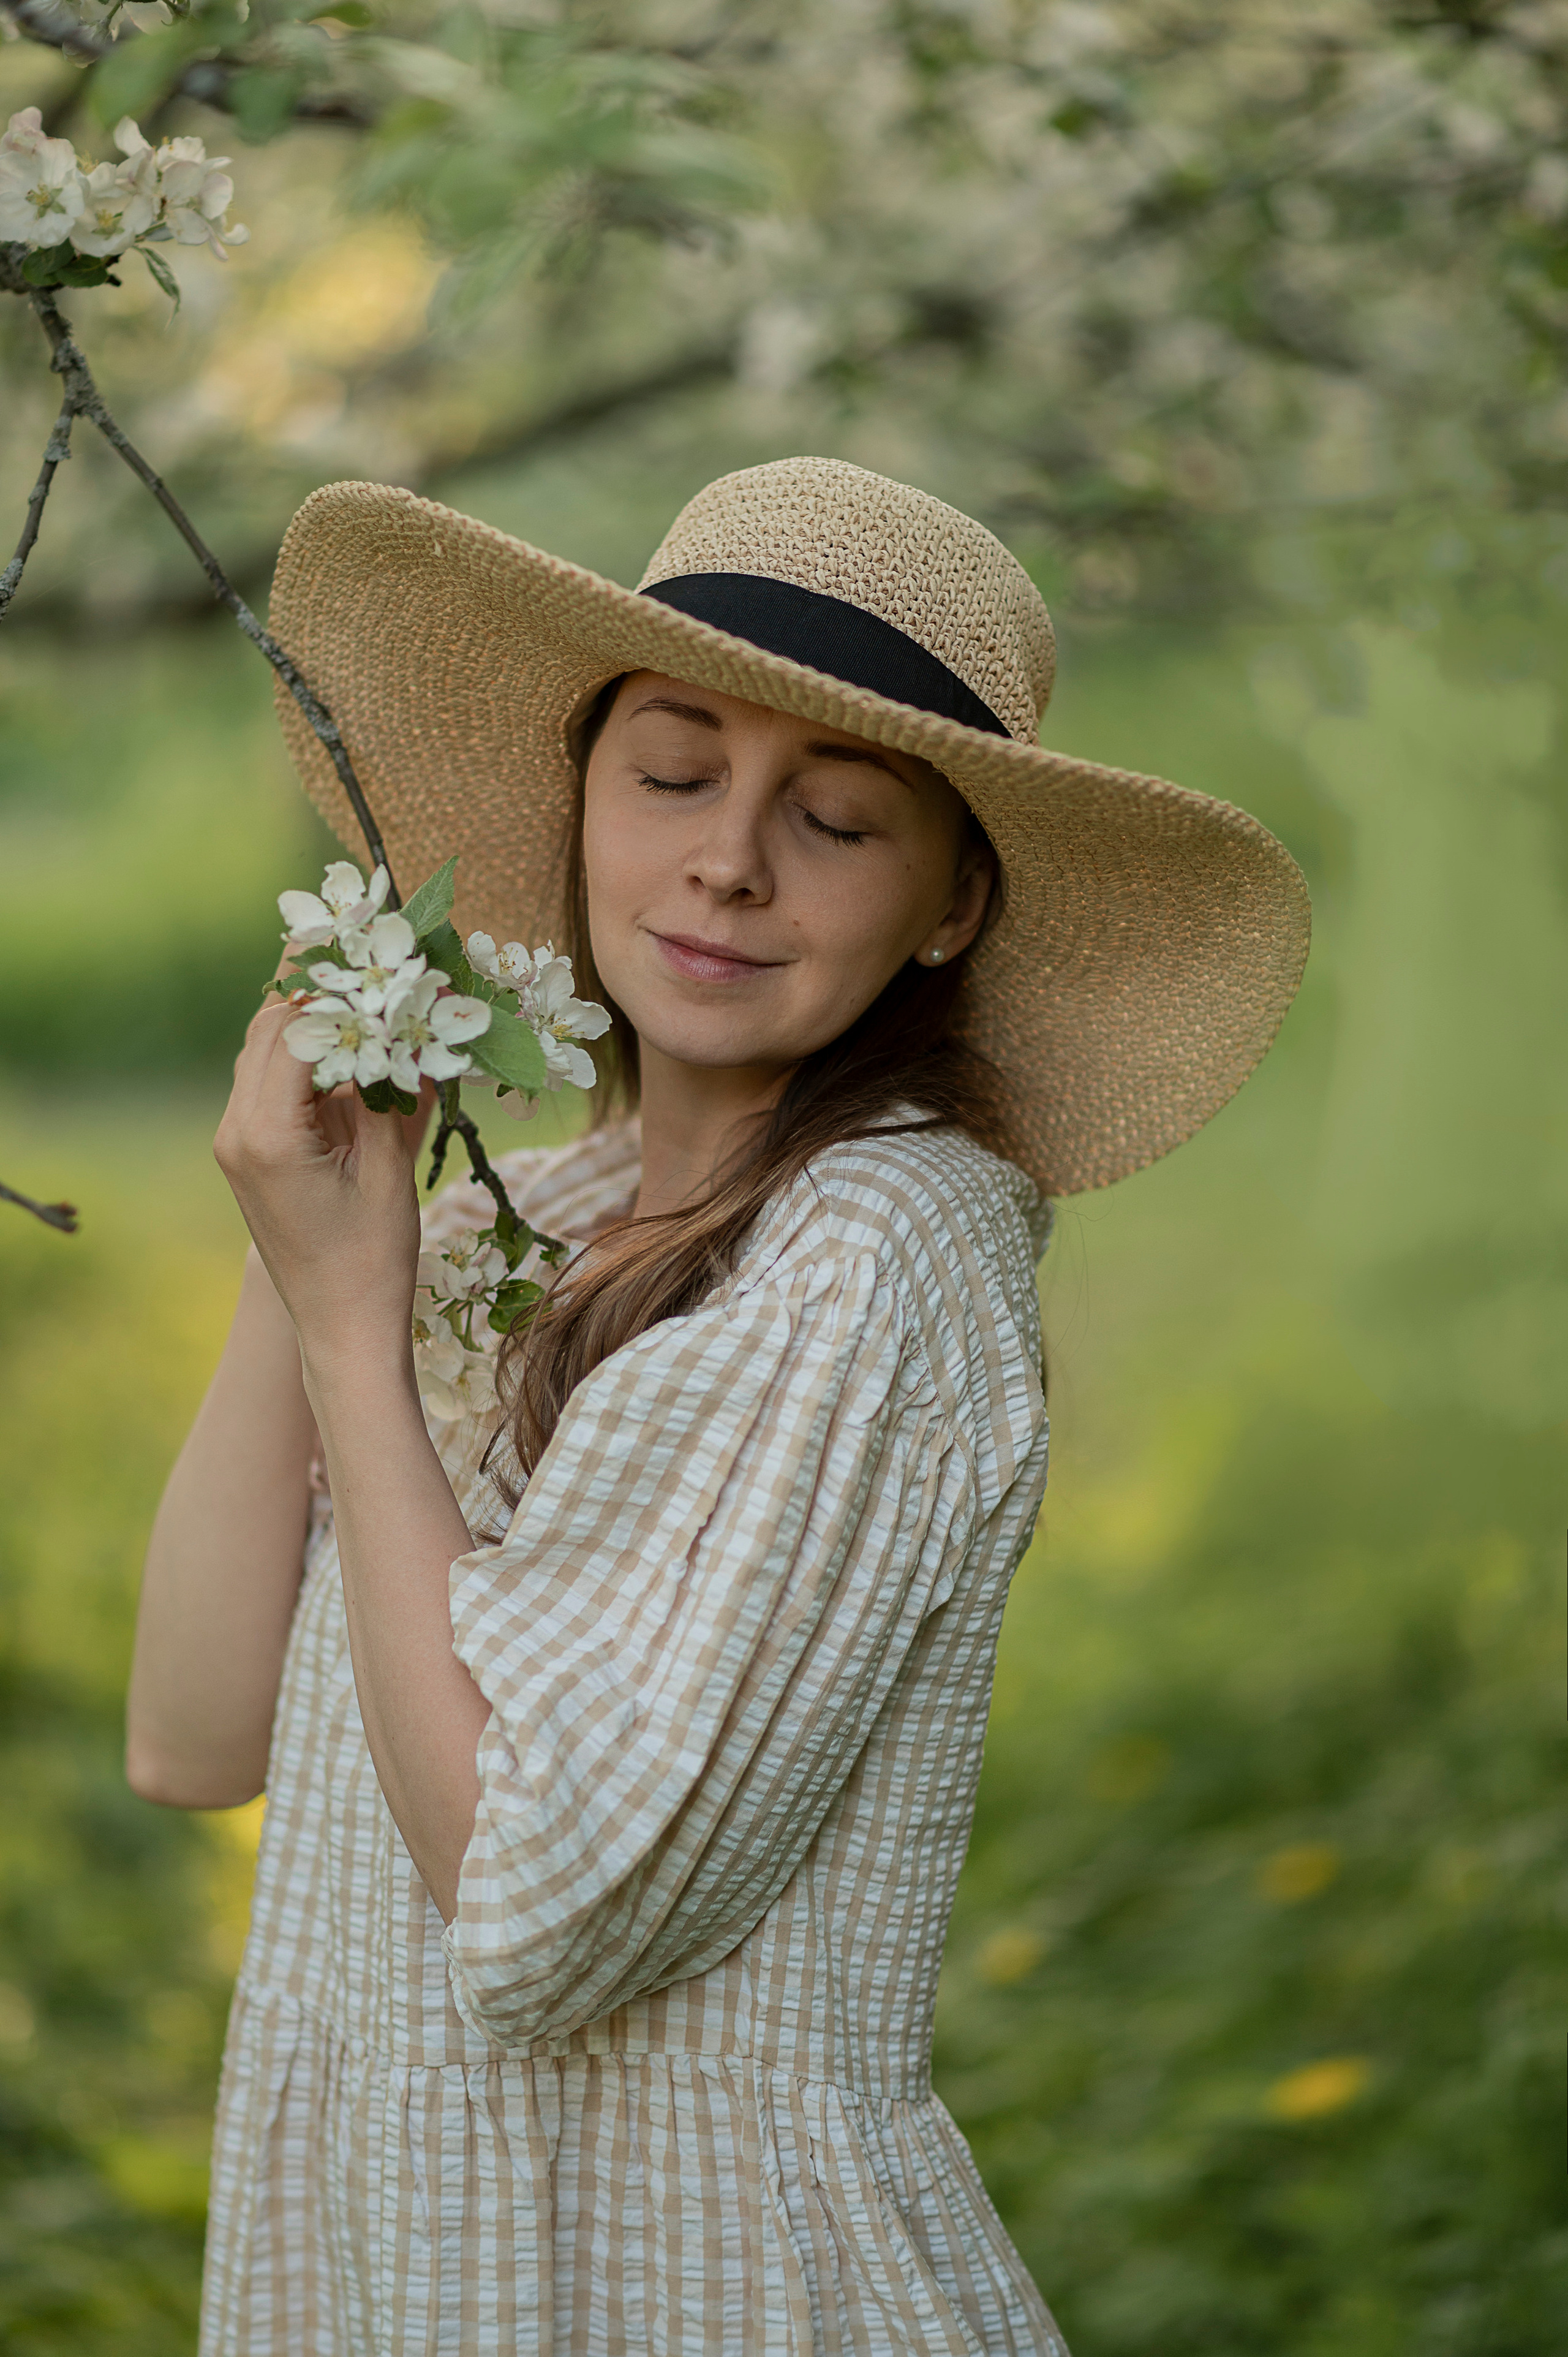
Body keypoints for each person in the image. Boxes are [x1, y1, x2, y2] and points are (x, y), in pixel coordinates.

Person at [127, 457, 1308, 2356]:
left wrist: (357, 1326)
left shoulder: (872, 1258)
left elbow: (528, 1914)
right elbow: (189, 1739)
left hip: (671, 2283)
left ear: (949, 908)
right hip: (395, 2266)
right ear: (582, 800)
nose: (730, 861)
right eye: (674, 775)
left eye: (836, 819)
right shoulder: (559, 1229)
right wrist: (322, 1241)